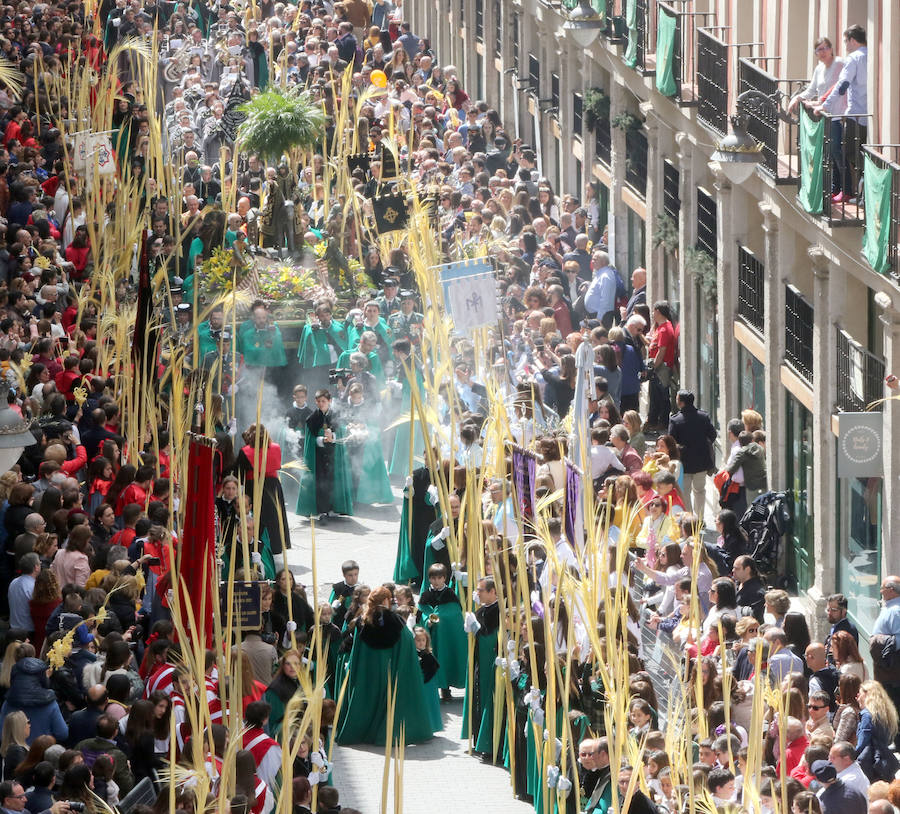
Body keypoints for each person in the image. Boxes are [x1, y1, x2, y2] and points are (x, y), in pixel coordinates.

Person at [335, 586, 434, 745]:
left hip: (368, 671)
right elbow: (407, 642)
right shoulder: (395, 621)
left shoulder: (363, 621)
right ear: (387, 600)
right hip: (389, 669)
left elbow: (356, 647)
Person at [295, 390, 353, 520]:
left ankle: (334, 508)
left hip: (333, 455)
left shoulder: (336, 416)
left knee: (333, 481)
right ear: (315, 402)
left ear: (329, 401)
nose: (321, 404)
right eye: (319, 401)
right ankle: (321, 510)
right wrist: (322, 440)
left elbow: (342, 432)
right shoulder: (312, 419)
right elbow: (310, 440)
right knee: (320, 482)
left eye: (324, 401)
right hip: (318, 457)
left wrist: (333, 437)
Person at [462, 577, 500, 759]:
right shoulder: (481, 610)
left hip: (489, 664)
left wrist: (476, 628)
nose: (478, 593)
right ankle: (478, 739)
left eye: (481, 590)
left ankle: (487, 743)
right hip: (478, 662)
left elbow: (489, 638)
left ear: (493, 592)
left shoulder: (498, 612)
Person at [667, 390, 716, 515]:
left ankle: (689, 518)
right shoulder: (703, 417)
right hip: (701, 462)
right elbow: (712, 435)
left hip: (684, 463)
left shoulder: (675, 420)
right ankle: (699, 519)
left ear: (681, 402)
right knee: (700, 491)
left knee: (685, 492)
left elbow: (671, 441)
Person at [854, 680, 900, 782]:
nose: (857, 696)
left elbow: (862, 742)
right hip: (884, 760)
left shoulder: (867, 715)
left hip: (870, 762)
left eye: (860, 693)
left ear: (867, 694)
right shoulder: (885, 714)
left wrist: (851, 755)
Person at [578, 737, 612, 814]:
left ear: (603, 754)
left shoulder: (613, 776)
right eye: (583, 754)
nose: (590, 758)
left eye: (592, 754)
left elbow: (603, 806)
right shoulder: (605, 773)